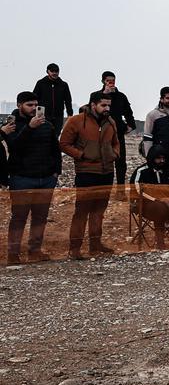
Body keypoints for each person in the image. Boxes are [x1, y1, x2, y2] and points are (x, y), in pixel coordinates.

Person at [60, 90, 120, 259]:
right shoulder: (76, 121)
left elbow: (116, 142)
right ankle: (75, 248)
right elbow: (64, 144)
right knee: (82, 212)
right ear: (93, 105)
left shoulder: (110, 122)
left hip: (107, 172)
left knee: (99, 211)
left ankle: (95, 244)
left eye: (109, 105)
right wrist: (81, 155)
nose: (107, 108)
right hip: (86, 172)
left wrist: (115, 154)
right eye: (103, 105)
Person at [4, 91, 62, 263]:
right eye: (29, 105)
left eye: (36, 105)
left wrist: (55, 172)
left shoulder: (47, 124)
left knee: (40, 216)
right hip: (22, 177)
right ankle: (13, 253)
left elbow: (55, 149)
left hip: (45, 178)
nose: (33, 108)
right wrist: (30, 127)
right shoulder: (12, 125)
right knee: (19, 216)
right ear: (19, 105)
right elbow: (14, 147)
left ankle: (34, 250)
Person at [129, 145, 169, 249]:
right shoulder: (141, 171)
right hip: (146, 205)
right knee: (159, 208)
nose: (161, 161)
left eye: (163, 158)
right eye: (158, 158)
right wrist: (157, 200)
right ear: (152, 158)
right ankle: (160, 240)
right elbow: (137, 191)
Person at [99, 71, 135, 185]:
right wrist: (105, 94)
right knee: (103, 160)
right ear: (103, 81)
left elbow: (128, 112)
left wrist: (131, 125)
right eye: (108, 80)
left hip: (118, 132)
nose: (111, 83)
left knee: (120, 161)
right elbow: (92, 109)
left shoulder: (121, 96)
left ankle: (120, 188)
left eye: (113, 80)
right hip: (102, 132)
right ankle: (104, 187)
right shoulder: (97, 95)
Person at [32, 63, 73, 135]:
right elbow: (34, 98)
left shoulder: (63, 85)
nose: (55, 73)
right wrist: (33, 112)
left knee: (56, 135)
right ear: (47, 71)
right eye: (52, 71)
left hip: (58, 116)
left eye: (56, 71)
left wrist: (70, 114)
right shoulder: (41, 83)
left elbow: (68, 100)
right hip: (43, 115)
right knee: (43, 134)